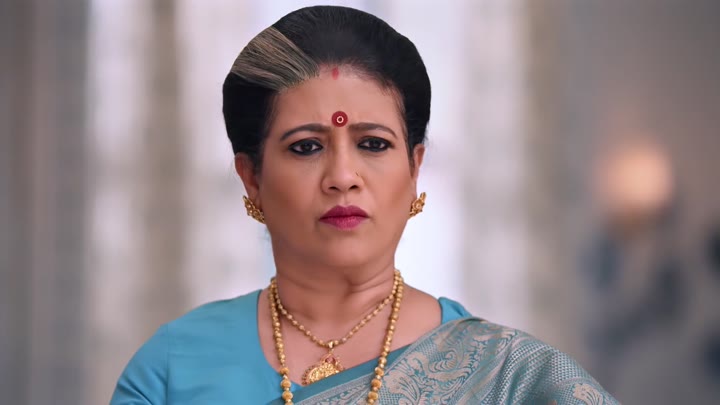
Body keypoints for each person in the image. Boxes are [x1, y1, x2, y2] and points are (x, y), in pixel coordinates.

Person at [111, 6, 617, 404]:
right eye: (306, 147)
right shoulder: (173, 367)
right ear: (252, 179)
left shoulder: (508, 379)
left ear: (414, 169)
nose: (342, 177)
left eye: (373, 144)